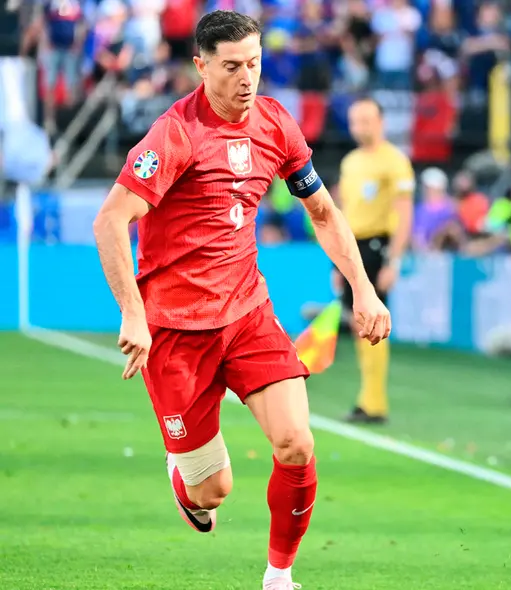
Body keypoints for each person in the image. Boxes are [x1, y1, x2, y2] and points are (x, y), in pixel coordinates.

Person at [91, 11, 391, 590]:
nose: (246, 77)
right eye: (231, 66)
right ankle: (188, 479)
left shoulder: (277, 124)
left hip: (247, 313)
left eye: (254, 63)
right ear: (201, 66)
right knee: (213, 491)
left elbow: (322, 212)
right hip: (176, 331)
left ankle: (278, 578)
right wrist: (132, 311)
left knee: (296, 444)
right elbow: (110, 222)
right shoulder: (174, 134)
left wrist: (364, 288)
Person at [334, 96, 414, 424]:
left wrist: (394, 261)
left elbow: (405, 214)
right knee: (357, 325)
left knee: (373, 323)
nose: (360, 127)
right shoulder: (351, 162)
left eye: (366, 120)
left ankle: (375, 403)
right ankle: (366, 399)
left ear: (381, 122)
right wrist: (337, 261)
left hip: (377, 246)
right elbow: (342, 213)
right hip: (351, 247)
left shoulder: (395, 161)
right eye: (355, 121)